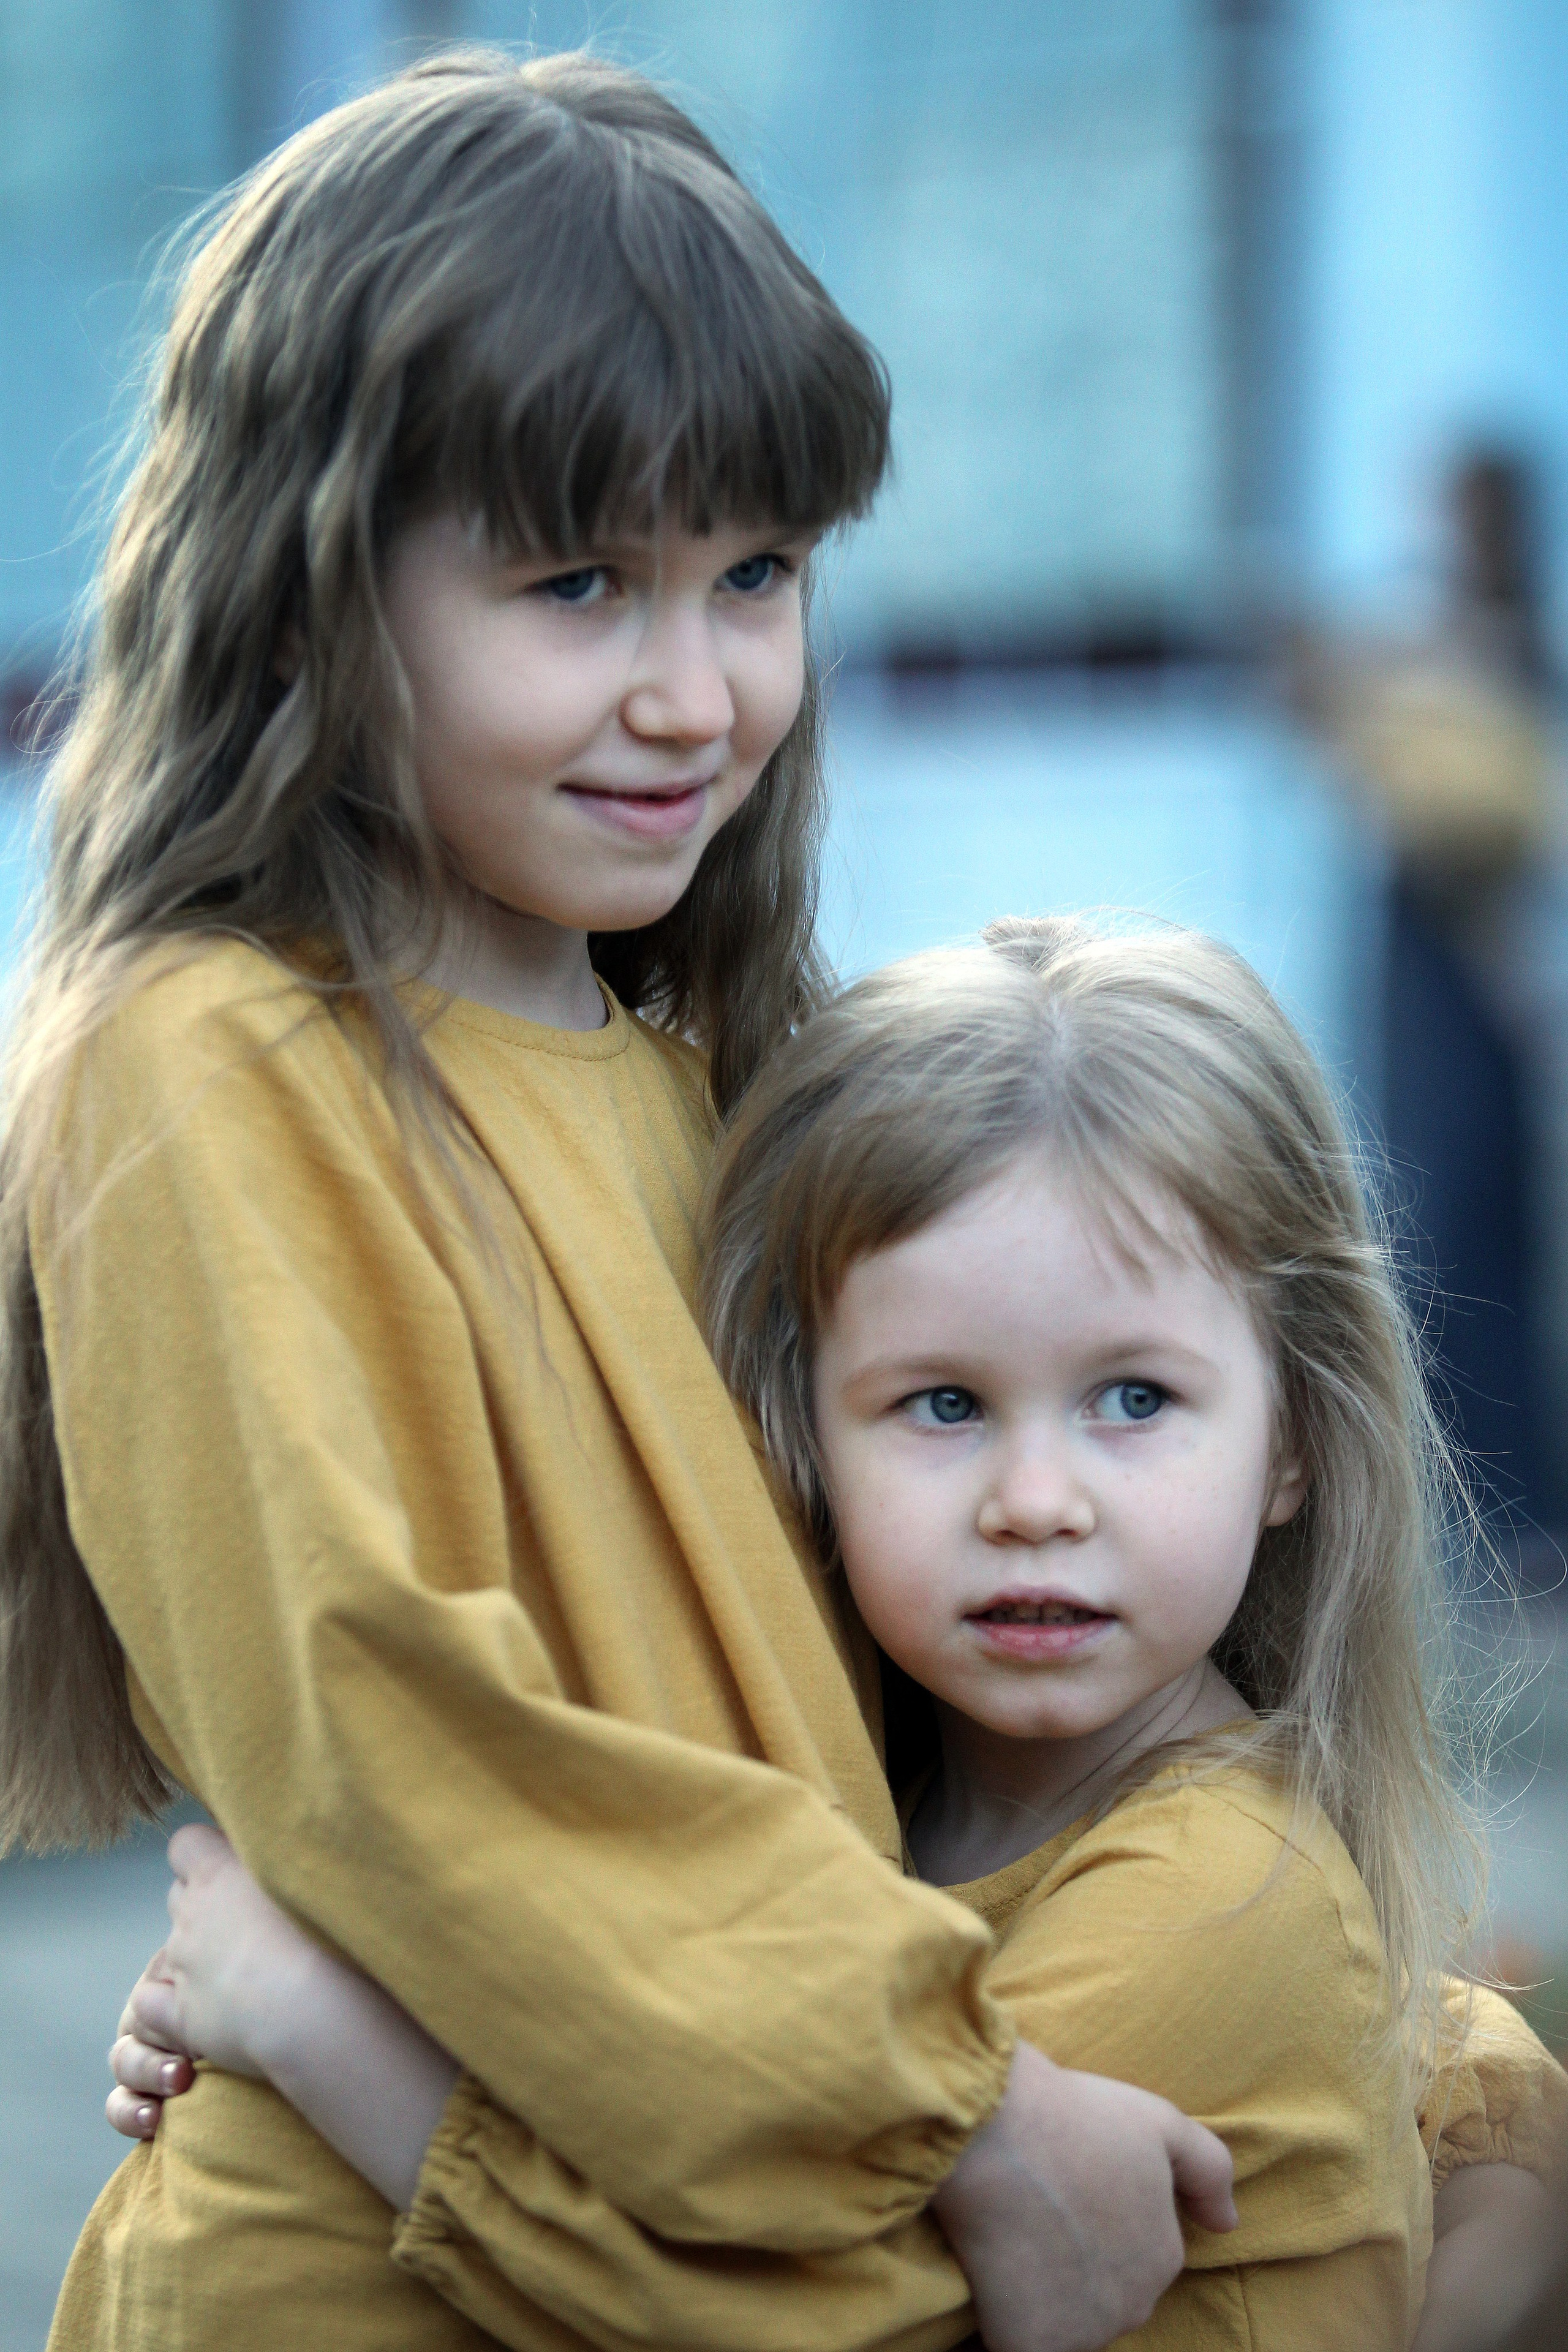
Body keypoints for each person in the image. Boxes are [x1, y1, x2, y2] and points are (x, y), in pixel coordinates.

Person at [2, 47, 1240, 2352]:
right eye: (582, 585)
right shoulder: (204, 1058)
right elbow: (388, 1734)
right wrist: (948, 2108)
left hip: (731, 2239)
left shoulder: (707, 1078)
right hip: (375, 2287)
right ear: (303, 588)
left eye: (753, 575)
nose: (698, 693)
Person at [111, 918, 1568, 2346]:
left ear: (1292, 1444)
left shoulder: (1218, 1889)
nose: (1035, 1501)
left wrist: (308, 2029)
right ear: (796, 1439)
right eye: (942, 1403)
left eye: (1133, 1398)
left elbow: (797, 2315)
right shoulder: (861, 1797)